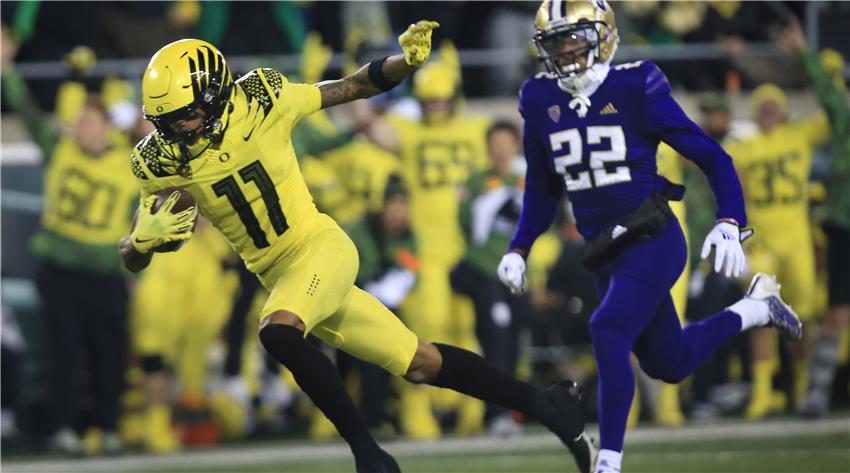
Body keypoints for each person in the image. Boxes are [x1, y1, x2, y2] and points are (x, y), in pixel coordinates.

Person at [118, 24, 594, 473]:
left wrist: (402, 64)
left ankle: (368, 454)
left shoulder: (262, 98)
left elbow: (350, 87)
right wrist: (140, 243)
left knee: (278, 332)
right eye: (165, 121)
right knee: (420, 362)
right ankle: (548, 405)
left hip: (320, 247)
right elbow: (135, 253)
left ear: (218, 96)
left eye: (186, 116)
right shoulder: (159, 159)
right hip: (287, 279)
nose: (175, 130)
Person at [496, 2, 802, 473]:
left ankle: (608, 463)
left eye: (576, 37)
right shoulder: (538, 97)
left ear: (604, 35)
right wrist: (520, 245)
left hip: (652, 236)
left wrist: (730, 220)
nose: (567, 49)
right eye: (557, 41)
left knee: (606, 327)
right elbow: (542, 186)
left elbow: (713, 156)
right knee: (671, 362)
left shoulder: (635, 84)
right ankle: (757, 308)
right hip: (603, 252)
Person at [2, 27, 138, 456]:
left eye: (90, 121)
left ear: (105, 127)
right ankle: (62, 428)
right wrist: (6, 71)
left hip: (105, 271)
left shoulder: (128, 162)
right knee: (66, 353)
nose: (81, 126)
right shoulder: (58, 147)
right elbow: (26, 111)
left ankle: (109, 428)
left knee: (109, 355)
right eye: (80, 120)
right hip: (60, 268)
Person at [726, 82, 829, 419]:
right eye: (762, 104)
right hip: (763, 243)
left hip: (797, 239)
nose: (768, 109)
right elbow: (727, 178)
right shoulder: (744, 147)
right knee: (760, 318)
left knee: (803, 319)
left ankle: (800, 388)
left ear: (784, 109)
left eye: (774, 104)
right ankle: (762, 392)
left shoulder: (799, 135)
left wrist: (824, 77)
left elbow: (836, 115)